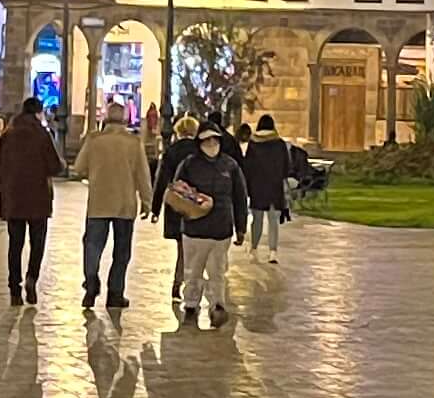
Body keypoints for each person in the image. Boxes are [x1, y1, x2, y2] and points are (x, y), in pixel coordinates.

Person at [160, 120, 247, 327]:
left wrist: (241, 227)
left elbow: (240, 196)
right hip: (195, 229)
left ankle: (217, 306)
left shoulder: (230, 166)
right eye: (206, 140)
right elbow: (176, 192)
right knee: (193, 271)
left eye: (214, 140)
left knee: (218, 271)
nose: (210, 144)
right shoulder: (189, 164)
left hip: (221, 229)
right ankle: (191, 305)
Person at [74, 106, 152, 312]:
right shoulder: (134, 143)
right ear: (126, 120)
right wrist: (147, 200)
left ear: (106, 119)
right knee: (122, 251)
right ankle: (115, 293)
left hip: (98, 203)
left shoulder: (95, 141)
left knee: (92, 246)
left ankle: (91, 281)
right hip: (125, 204)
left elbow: (79, 167)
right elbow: (143, 174)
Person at [0, 97, 63, 306]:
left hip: (13, 199)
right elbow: (55, 167)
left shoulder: (8, 135)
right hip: (38, 199)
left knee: (15, 244)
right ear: (38, 113)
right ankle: (32, 278)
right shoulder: (42, 134)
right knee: (37, 243)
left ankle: (14, 288)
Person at [239, 116, 299, 255]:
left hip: (257, 187)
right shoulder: (279, 143)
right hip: (275, 187)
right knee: (273, 221)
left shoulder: (253, 144)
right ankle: (273, 251)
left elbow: (248, 166)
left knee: (257, 219)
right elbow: (286, 166)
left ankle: (254, 248)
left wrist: (247, 186)